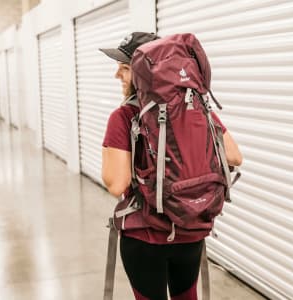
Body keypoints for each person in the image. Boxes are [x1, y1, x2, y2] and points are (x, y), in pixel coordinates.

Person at [100, 32, 243, 300]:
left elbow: (116, 183)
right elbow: (235, 157)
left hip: (145, 237)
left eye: (124, 69)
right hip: (191, 232)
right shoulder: (198, 110)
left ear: (145, 73)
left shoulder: (123, 117)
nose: (117, 76)